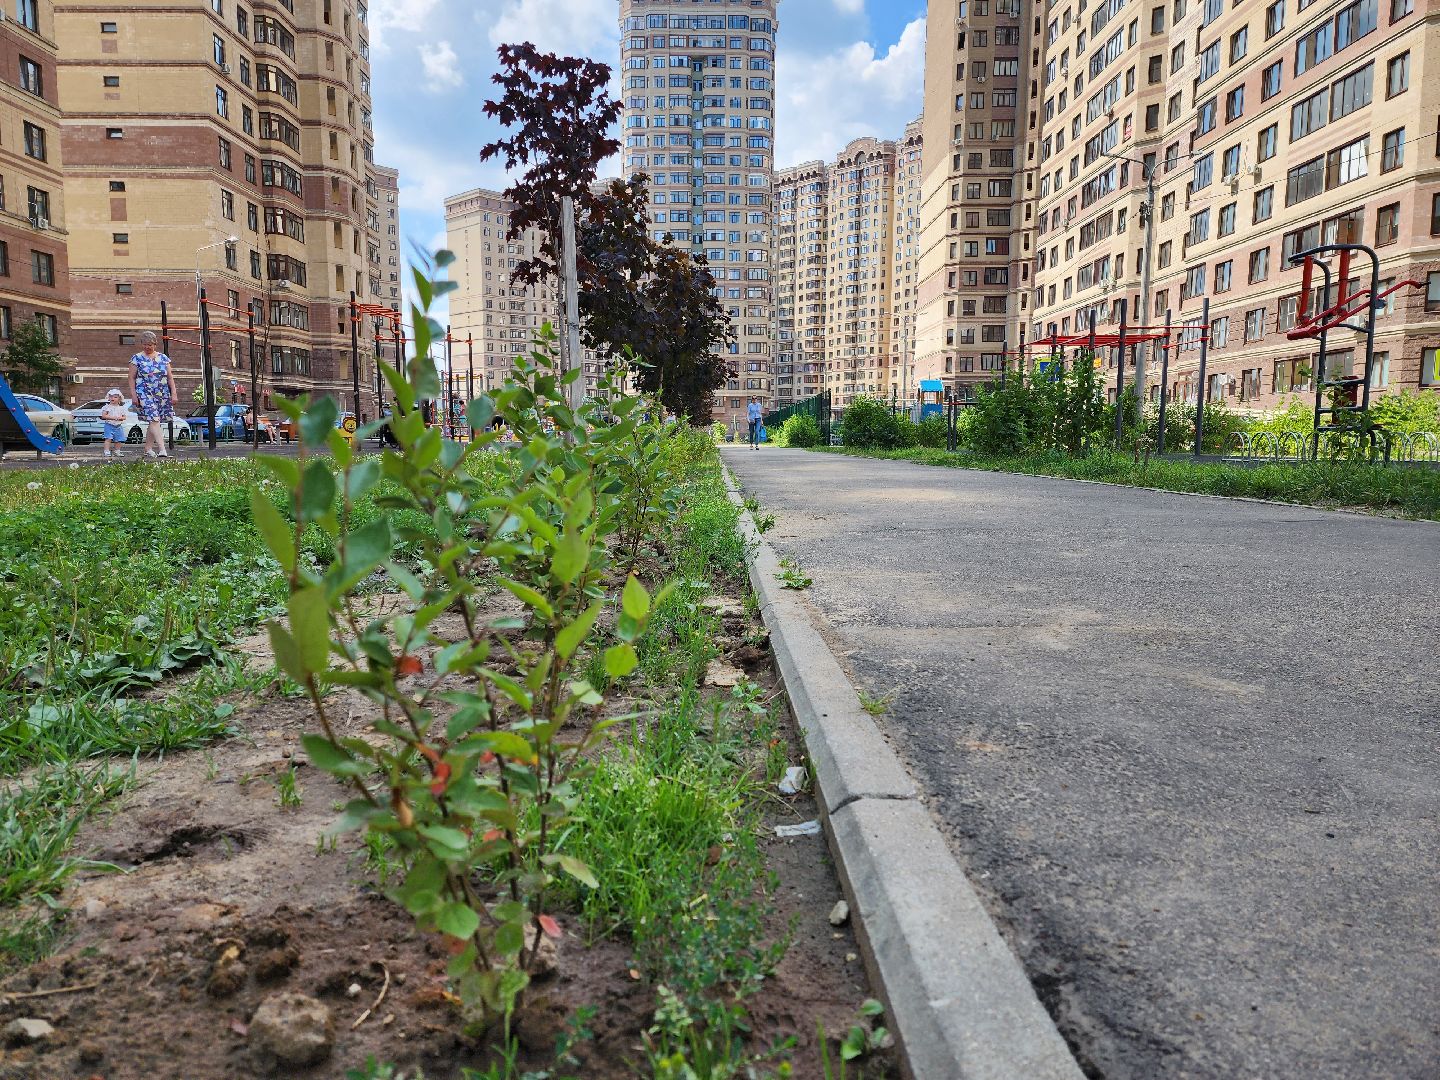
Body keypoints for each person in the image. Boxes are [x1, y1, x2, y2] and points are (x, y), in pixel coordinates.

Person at [126, 331, 178, 460]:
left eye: (150, 344)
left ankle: (148, 448)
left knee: (154, 420)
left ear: (155, 344)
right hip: (144, 392)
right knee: (154, 419)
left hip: (161, 393)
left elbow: (170, 378)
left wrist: (174, 394)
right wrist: (133, 395)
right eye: (145, 344)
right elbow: (131, 378)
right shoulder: (136, 358)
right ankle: (162, 449)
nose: (147, 347)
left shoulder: (163, 358)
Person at [99, 388, 128, 461]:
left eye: (115, 397)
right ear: (108, 398)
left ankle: (117, 451)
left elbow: (124, 417)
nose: (113, 398)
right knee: (108, 438)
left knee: (118, 440)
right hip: (109, 425)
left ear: (119, 399)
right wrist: (113, 417)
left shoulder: (121, 408)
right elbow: (103, 416)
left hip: (118, 426)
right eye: (111, 396)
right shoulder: (107, 407)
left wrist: (120, 418)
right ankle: (106, 451)